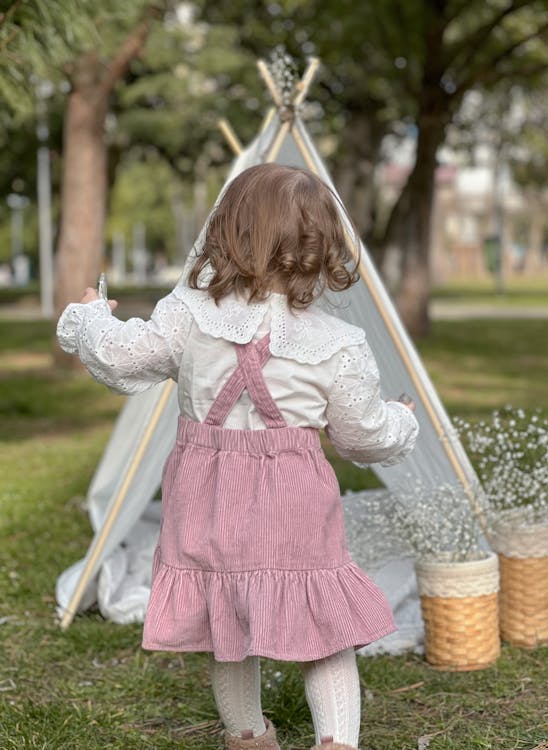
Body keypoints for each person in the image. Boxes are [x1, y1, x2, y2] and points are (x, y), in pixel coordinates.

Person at [57, 164, 418, 750]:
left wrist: (90, 315)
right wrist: (400, 418)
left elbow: (124, 357)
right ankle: (336, 743)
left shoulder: (189, 313)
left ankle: (248, 736)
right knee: (325, 628)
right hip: (296, 508)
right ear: (321, 244)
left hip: (207, 497)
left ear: (227, 230)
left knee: (223, 616)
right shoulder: (337, 343)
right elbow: (360, 435)